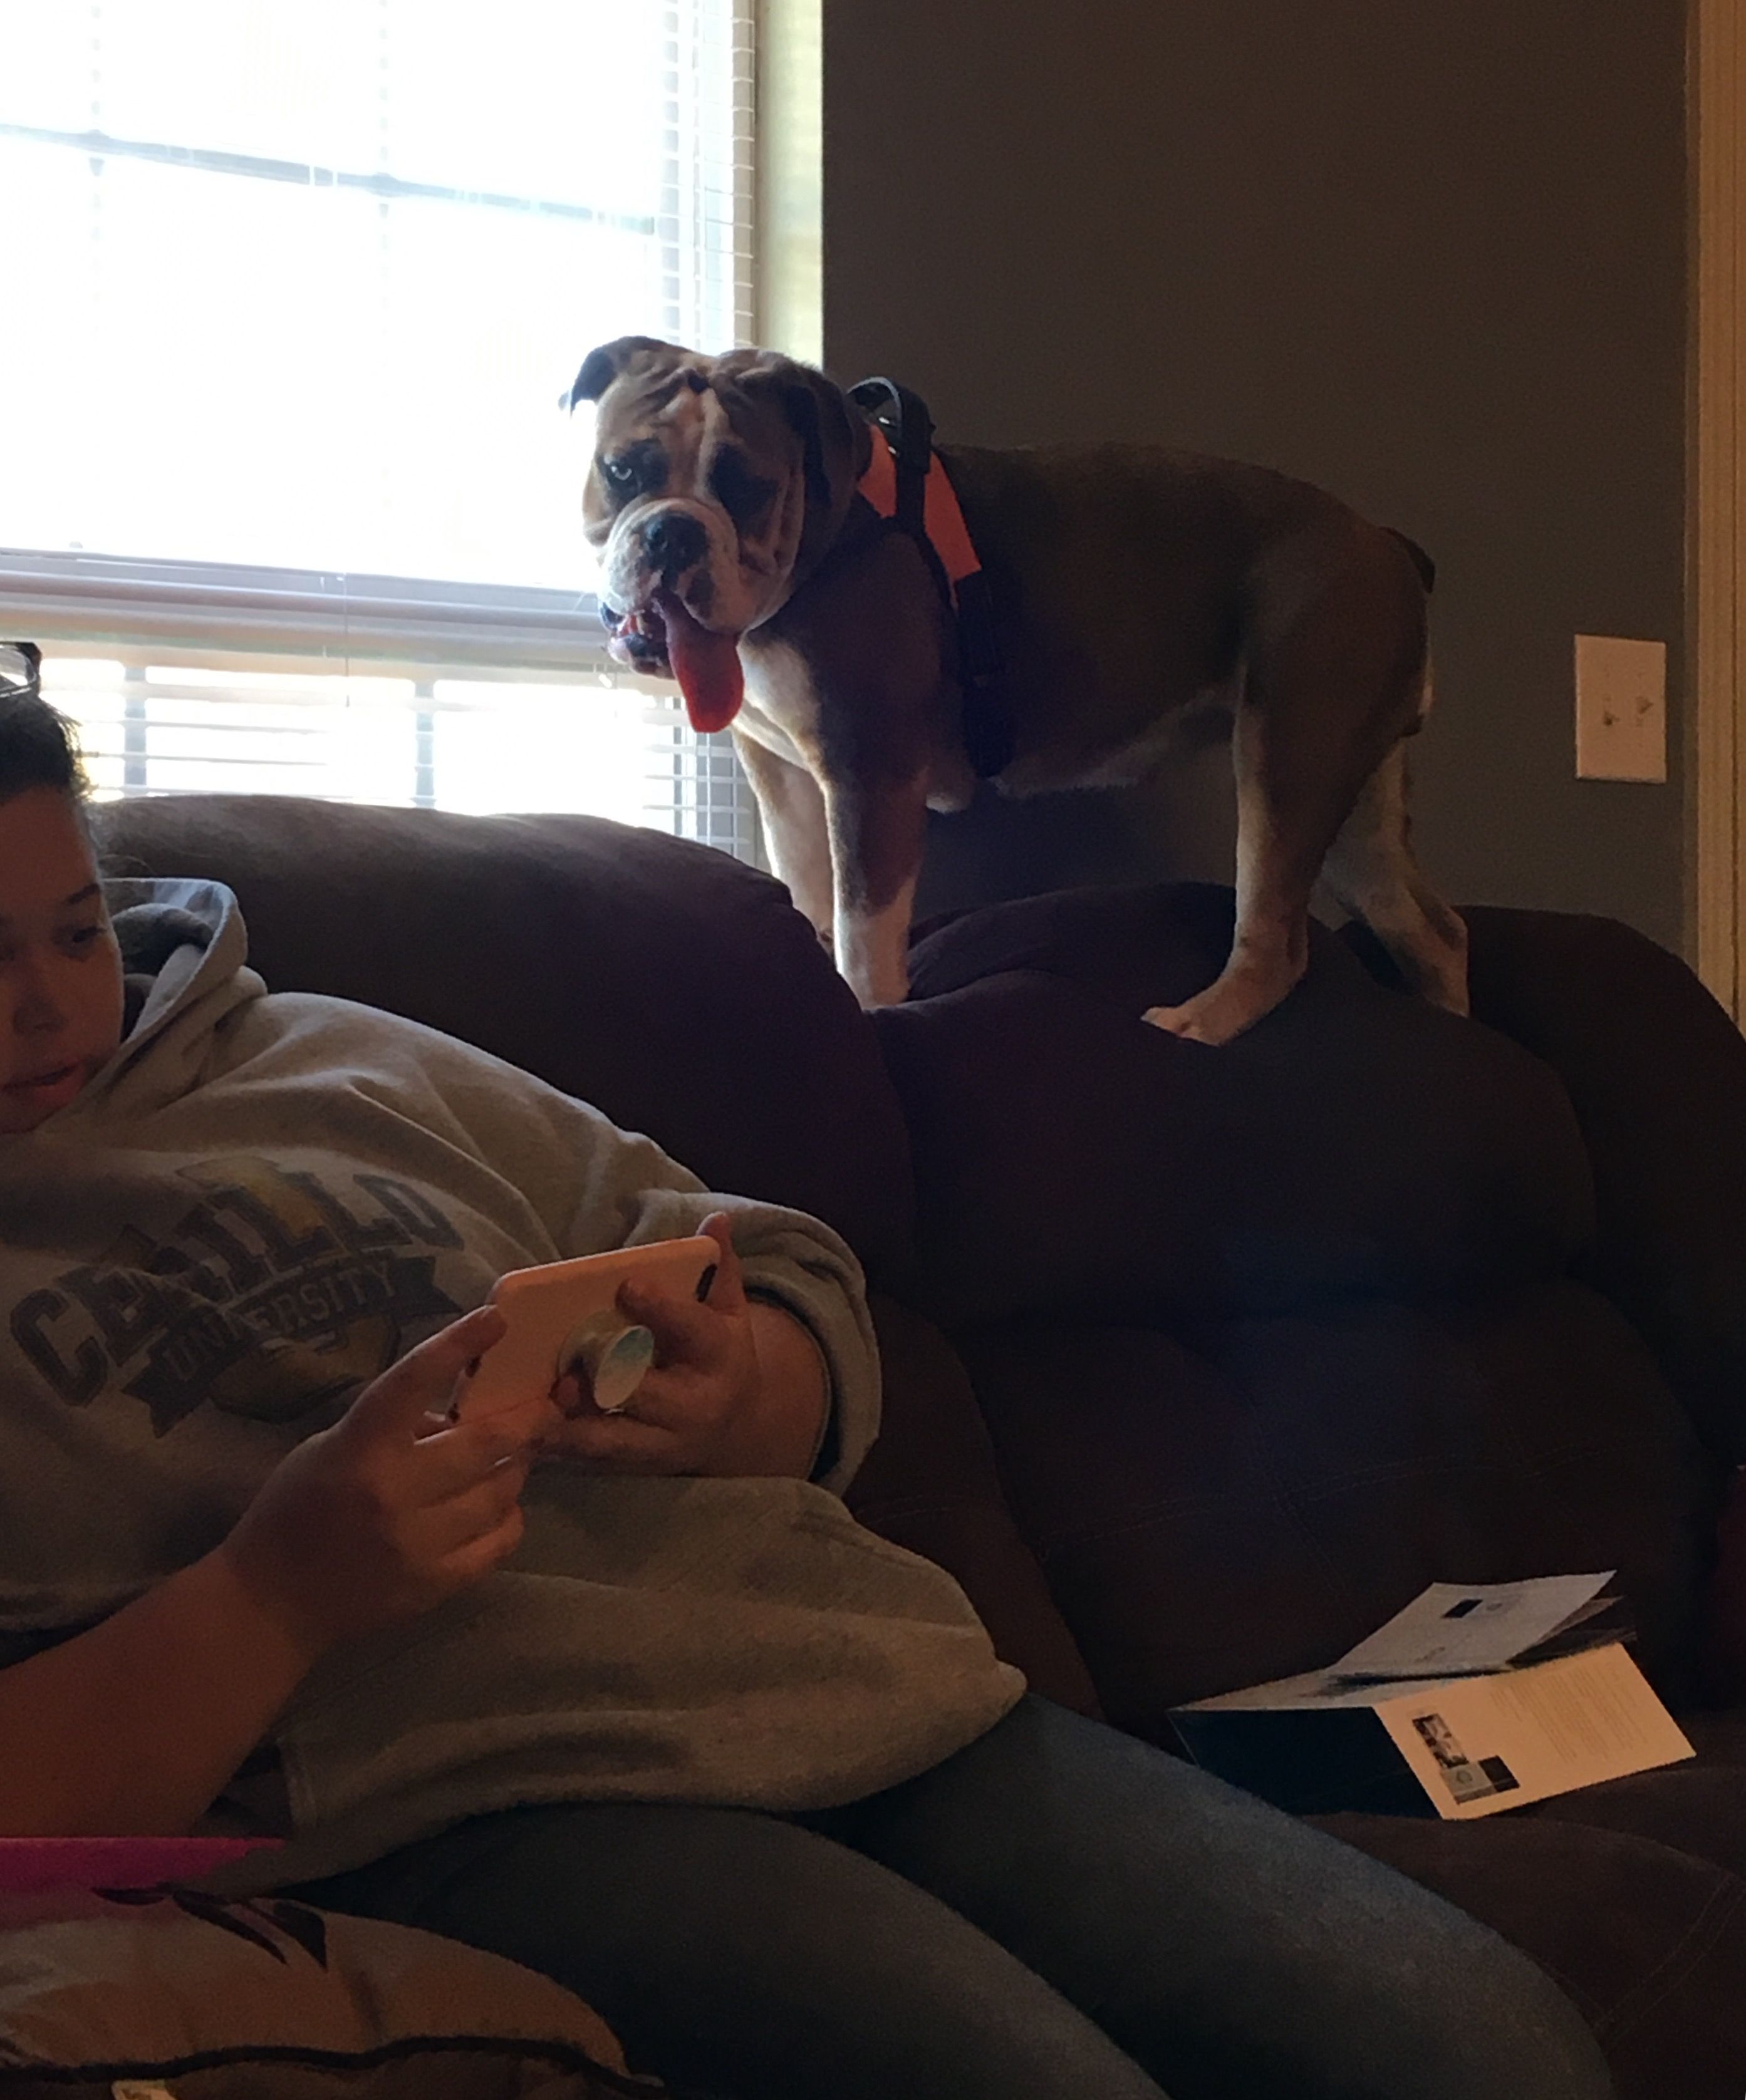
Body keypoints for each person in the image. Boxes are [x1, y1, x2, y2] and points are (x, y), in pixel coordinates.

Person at [0, 657, 1614, 2100]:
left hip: (862, 1684)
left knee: (1498, 2052)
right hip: (485, 1797)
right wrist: (276, 1592)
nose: (49, 1005)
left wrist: (749, 1386)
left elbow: (757, 1256)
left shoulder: (337, 1054)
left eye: (77, 930)